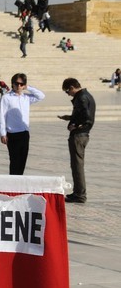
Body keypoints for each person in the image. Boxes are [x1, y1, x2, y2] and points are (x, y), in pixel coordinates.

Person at [0, 72, 44, 175]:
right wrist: (2, 133)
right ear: (12, 84)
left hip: (24, 133)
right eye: (16, 83)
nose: (19, 86)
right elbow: (1, 115)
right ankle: (13, 185)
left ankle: (19, 184)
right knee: (14, 161)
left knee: (22, 161)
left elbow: (41, 96)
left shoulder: (26, 97)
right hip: (12, 134)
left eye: (21, 84)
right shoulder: (6, 98)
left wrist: (29, 88)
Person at [60, 76, 95, 204]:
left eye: (67, 91)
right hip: (82, 135)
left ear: (72, 88)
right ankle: (78, 192)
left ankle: (80, 194)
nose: (68, 94)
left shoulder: (81, 98)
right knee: (77, 164)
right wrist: (69, 118)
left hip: (79, 136)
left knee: (77, 166)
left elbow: (86, 117)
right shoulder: (85, 95)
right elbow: (82, 114)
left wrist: (76, 126)